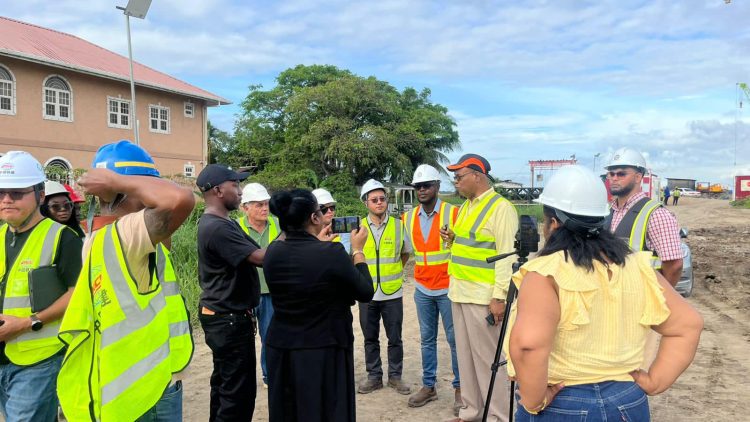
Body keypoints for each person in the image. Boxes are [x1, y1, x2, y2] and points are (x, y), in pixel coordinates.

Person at [504, 165, 703, 421]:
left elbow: (529, 345)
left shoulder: (545, 273)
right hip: (627, 400)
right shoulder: (635, 265)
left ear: (553, 223)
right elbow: (689, 324)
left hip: (565, 403)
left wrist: (534, 400)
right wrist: (655, 381)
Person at [57, 140, 195, 421]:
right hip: (147, 390)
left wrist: (120, 183)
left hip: (129, 380)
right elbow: (181, 199)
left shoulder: (105, 237)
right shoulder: (126, 235)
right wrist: (121, 180)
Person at [263, 189, 374, 421]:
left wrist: (318, 243)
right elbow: (364, 291)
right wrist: (358, 250)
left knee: (289, 411)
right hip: (322, 348)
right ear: (314, 218)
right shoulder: (331, 253)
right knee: (325, 410)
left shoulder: (272, 252)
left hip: (282, 348)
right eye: (321, 212)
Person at [0, 151, 81, 421]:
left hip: (38, 360)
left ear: (40, 194)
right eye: (1, 193)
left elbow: (77, 294)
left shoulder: (63, 238)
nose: (7, 200)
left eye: (17, 192)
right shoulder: (0, 236)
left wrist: (27, 322)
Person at [440, 153, 518, 422]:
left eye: (459, 177)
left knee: (489, 363)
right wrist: (452, 239)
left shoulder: (501, 208)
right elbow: (469, 247)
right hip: (459, 293)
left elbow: (508, 257)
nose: (456, 182)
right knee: (467, 360)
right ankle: (471, 412)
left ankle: (497, 416)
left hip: (483, 299)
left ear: (477, 176)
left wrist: (499, 297)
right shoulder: (465, 207)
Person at [196, 164, 265, 421]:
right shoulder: (218, 228)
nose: (240, 191)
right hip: (229, 320)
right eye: (235, 185)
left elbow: (258, 251)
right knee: (238, 395)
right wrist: (296, 232)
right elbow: (260, 258)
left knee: (226, 388)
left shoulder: (225, 223)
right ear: (217, 191)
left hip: (228, 317)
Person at [402, 164, 462, 415]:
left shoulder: (455, 213)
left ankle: (461, 389)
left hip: (448, 287)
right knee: (427, 340)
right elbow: (405, 252)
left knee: (455, 340)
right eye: (418, 186)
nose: (422, 190)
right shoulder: (407, 218)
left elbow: (465, 247)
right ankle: (429, 386)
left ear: (437, 186)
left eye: (427, 185)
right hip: (423, 288)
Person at [357, 179, 412, 395]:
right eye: (374, 200)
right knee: (370, 337)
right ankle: (374, 376)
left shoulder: (398, 225)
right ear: (366, 203)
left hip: (392, 293)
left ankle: (395, 376)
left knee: (395, 338)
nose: (379, 203)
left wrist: (394, 273)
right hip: (367, 293)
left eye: (382, 199)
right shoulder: (358, 227)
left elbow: (405, 253)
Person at [604, 148, 683, 286]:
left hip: (643, 301)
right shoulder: (608, 211)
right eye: (611, 173)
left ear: (638, 177)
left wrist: (660, 300)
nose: (614, 178)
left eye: (621, 174)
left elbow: (674, 265)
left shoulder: (656, 215)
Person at [237, 182, 280, 388]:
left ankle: (269, 375)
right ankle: (244, 380)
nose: (264, 208)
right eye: (258, 205)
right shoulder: (235, 227)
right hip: (245, 292)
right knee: (242, 339)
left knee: (270, 335)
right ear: (245, 207)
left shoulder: (278, 225)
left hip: (271, 292)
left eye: (266, 204)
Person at [312, 188, 351, 252]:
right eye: (323, 208)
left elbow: (344, 256)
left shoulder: (343, 230)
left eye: (332, 207)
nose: (329, 211)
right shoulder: (307, 234)